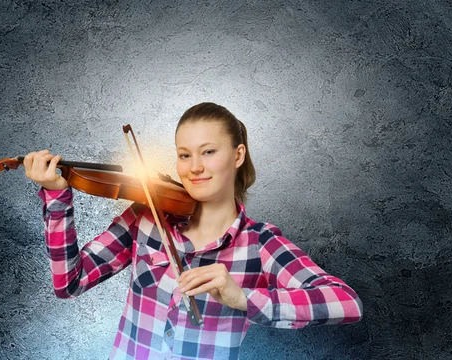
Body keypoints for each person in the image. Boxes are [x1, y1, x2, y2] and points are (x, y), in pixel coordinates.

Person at [24, 102, 363, 360]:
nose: (194, 167)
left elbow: (347, 303)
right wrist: (56, 196)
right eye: (184, 155)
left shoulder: (260, 243)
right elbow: (69, 283)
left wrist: (243, 299)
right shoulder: (147, 216)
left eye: (209, 152)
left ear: (238, 155)